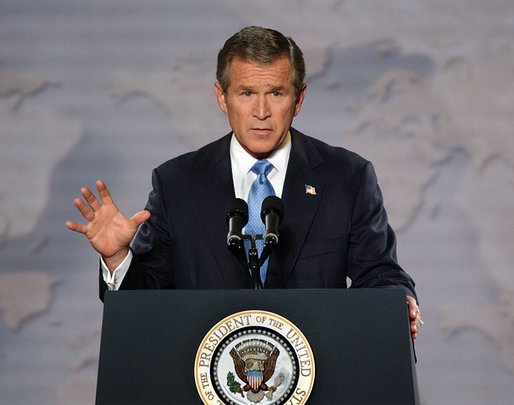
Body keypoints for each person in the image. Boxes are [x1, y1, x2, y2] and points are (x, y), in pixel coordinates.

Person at [66, 26, 422, 339]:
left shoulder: (347, 177)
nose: (261, 111)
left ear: (298, 99)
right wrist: (117, 258)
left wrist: (398, 300)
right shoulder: (177, 183)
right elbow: (147, 304)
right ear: (222, 97)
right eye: (247, 93)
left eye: (277, 94)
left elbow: (379, 272)